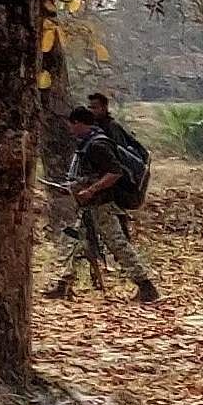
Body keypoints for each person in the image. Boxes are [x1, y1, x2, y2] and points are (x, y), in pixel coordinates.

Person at [45, 107, 159, 303]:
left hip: (102, 204)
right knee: (73, 241)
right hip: (90, 204)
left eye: (72, 125)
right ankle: (63, 284)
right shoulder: (90, 142)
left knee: (117, 243)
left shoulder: (97, 145)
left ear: (79, 123)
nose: (71, 130)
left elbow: (114, 173)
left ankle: (146, 285)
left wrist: (91, 190)